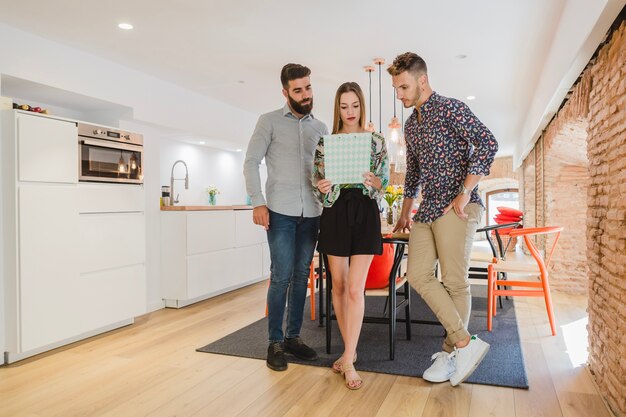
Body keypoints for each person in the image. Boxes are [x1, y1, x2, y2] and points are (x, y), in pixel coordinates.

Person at [388, 52, 498, 386]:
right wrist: (405, 212)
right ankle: (465, 342)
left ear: (422, 80)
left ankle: (451, 353)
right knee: (418, 274)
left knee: (454, 281)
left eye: (404, 86)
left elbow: (487, 143)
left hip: (457, 207)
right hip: (428, 208)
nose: (400, 94)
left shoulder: (451, 108)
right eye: (396, 88)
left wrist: (465, 191)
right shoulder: (411, 124)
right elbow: (415, 173)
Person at [243, 63, 329, 372]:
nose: (305, 95)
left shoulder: (320, 128)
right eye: (298, 90)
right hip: (279, 212)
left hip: (313, 213)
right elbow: (251, 162)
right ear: (285, 92)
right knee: (280, 276)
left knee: (301, 275)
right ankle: (274, 343)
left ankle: (293, 337)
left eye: (308, 88)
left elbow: (324, 171)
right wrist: (257, 202)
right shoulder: (268, 122)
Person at [312, 82, 389, 389]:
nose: (350, 112)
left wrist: (375, 182)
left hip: (365, 213)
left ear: (362, 106)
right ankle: (350, 352)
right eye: (344, 107)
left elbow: (383, 183)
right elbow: (318, 182)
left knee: (356, 289)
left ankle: (348, 360)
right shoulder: (325, 143)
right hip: (335, 213)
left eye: (354, 105)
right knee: (340, 286)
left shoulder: (377, 140)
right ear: (337, 109)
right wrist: (323, 188)